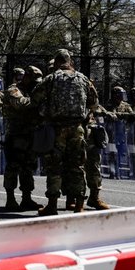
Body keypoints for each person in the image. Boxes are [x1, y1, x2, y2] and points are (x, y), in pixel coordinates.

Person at [31, 49, 98, 216]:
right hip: (77, 129)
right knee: (77, 166)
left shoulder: (52, 78)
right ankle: (79, 205)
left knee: (54, 166)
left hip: (57, 128)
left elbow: (35, 97)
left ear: (57, 62)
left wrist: (46, 108)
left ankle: (52, 204)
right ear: (70, 61)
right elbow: (94, 102)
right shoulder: (83, 78)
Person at [2, 65, 43, 211]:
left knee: (28, 167)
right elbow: (21, 104)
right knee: (13, 166)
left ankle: (27, 198)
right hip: (16, 134)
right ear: (26, 77)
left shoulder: (32, 91)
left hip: (30, 134)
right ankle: (10, 198)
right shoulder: (13, 89)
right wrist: (37, 100)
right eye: (33, 80)